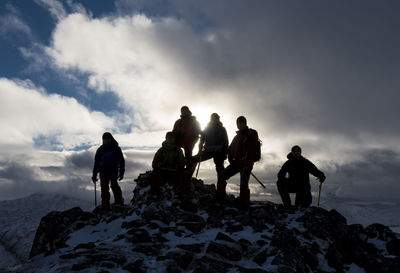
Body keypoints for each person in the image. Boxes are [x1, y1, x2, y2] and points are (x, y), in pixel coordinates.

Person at [217, 116, 259, 209]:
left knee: (244, 184)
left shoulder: (251, 135)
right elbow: (230, 149)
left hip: (246, 164)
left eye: (240, 123)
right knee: (222, 176)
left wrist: (246, 161)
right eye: (237, 123)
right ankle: (220, 198)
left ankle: (244, 204)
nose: (238, 125)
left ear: (245, 123)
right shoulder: (237, 136)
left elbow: (251, 151)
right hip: (236, 163)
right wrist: (230, 159)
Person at [92, 132, 125, 209]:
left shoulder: (115, 148)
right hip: (103, 170)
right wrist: (94, 175)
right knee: (104, 187)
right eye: (105, 138)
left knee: (113, 184)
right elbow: (96, 163)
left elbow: (121, 161)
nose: (106, 140)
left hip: (113, 168)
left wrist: (121, 171)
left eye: (108, 138)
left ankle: (118, 201)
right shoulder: (101, 149)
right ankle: (105, 203)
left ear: (111, 139)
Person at [192, 113, 229, 179]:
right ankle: (187, 177)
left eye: (216, 118)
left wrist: (225, 153)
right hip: (208, 150)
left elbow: (226, 142)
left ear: (218, 119)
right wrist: (199, 151)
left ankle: (220, 187)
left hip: (219, 151)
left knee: (220, 169)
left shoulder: (222, 129)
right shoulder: (207, 129)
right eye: (213, 118)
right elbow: (201, 140)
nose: (214, 120)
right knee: (193, 160)